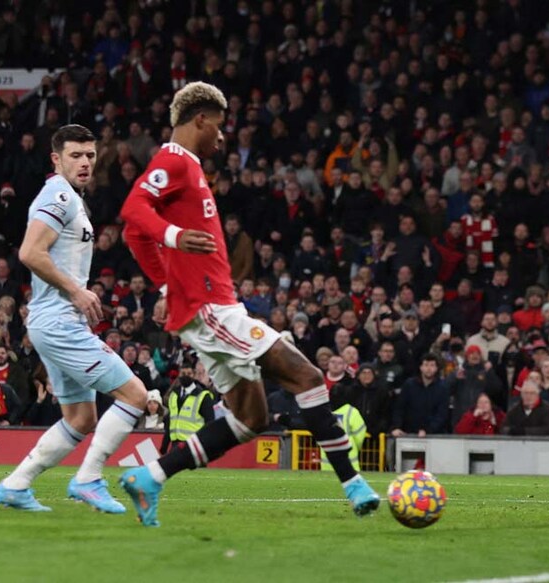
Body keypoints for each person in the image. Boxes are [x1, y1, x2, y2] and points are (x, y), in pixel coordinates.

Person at [118, 82, 380, 526]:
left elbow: (133, 235)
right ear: (200, 120)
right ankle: (354, 484)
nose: (223, 137)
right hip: (211, 308)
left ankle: (151, 477)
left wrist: (165, 286)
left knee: (251, 418)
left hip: (209, 306)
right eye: (219, 127)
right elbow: (133, 210)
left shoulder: (189, 167)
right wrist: (175, 238)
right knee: (308, 376)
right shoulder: (174, 160)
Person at [0, 125, 149, 514]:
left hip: (57, 322)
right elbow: (30, 252)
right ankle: (88, 479)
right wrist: (77, 292)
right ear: (56, 159)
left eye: (90, 156)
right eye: (75, 155)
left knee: (80, 417)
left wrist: (76, 293)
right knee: (136, 397)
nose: (84, 163)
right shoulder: (59, 195)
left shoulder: (72, 199)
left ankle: (15, 485)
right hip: (59, 322)